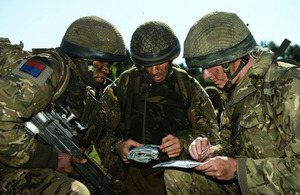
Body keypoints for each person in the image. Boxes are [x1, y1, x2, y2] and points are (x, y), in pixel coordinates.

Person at [164, 11, 300, 194]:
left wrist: (238, 170)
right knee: (176, 175)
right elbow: (230, 145)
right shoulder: (233, 92)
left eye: (209, 66)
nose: (205, 76)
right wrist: (211, 150)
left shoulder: (289, 84)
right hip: (247, 185)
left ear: (234, 58)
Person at [0, 16, 126, 194]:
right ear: (81, 57)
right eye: (100, 62)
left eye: (109, 64)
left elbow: (101, 138)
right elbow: (2, 121)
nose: (106, 69)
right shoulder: (50, 69)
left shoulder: (89, 95)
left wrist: (119, 147)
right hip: (9, 167)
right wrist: (51, 160)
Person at [97, 21, 220, 195]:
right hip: (130, 179)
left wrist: (183, 144)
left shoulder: (188, 87)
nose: (155, 71)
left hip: (176, 178)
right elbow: (100, 133)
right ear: (139, 62)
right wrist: (117, 146)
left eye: (160, 63)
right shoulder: (122, 87)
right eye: (148, 65)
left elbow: (213, 135)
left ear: (171, 57)